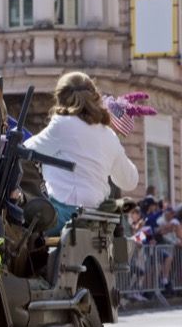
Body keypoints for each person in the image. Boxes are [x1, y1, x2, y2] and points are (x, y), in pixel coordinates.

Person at [23, 72, 139, 233]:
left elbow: (23, 151)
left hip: (64, 216)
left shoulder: (62, 124)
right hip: (98, 220)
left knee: (16, 230)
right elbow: (130, 181)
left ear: (60, 98)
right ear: (95, 97)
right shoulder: (108, 135)